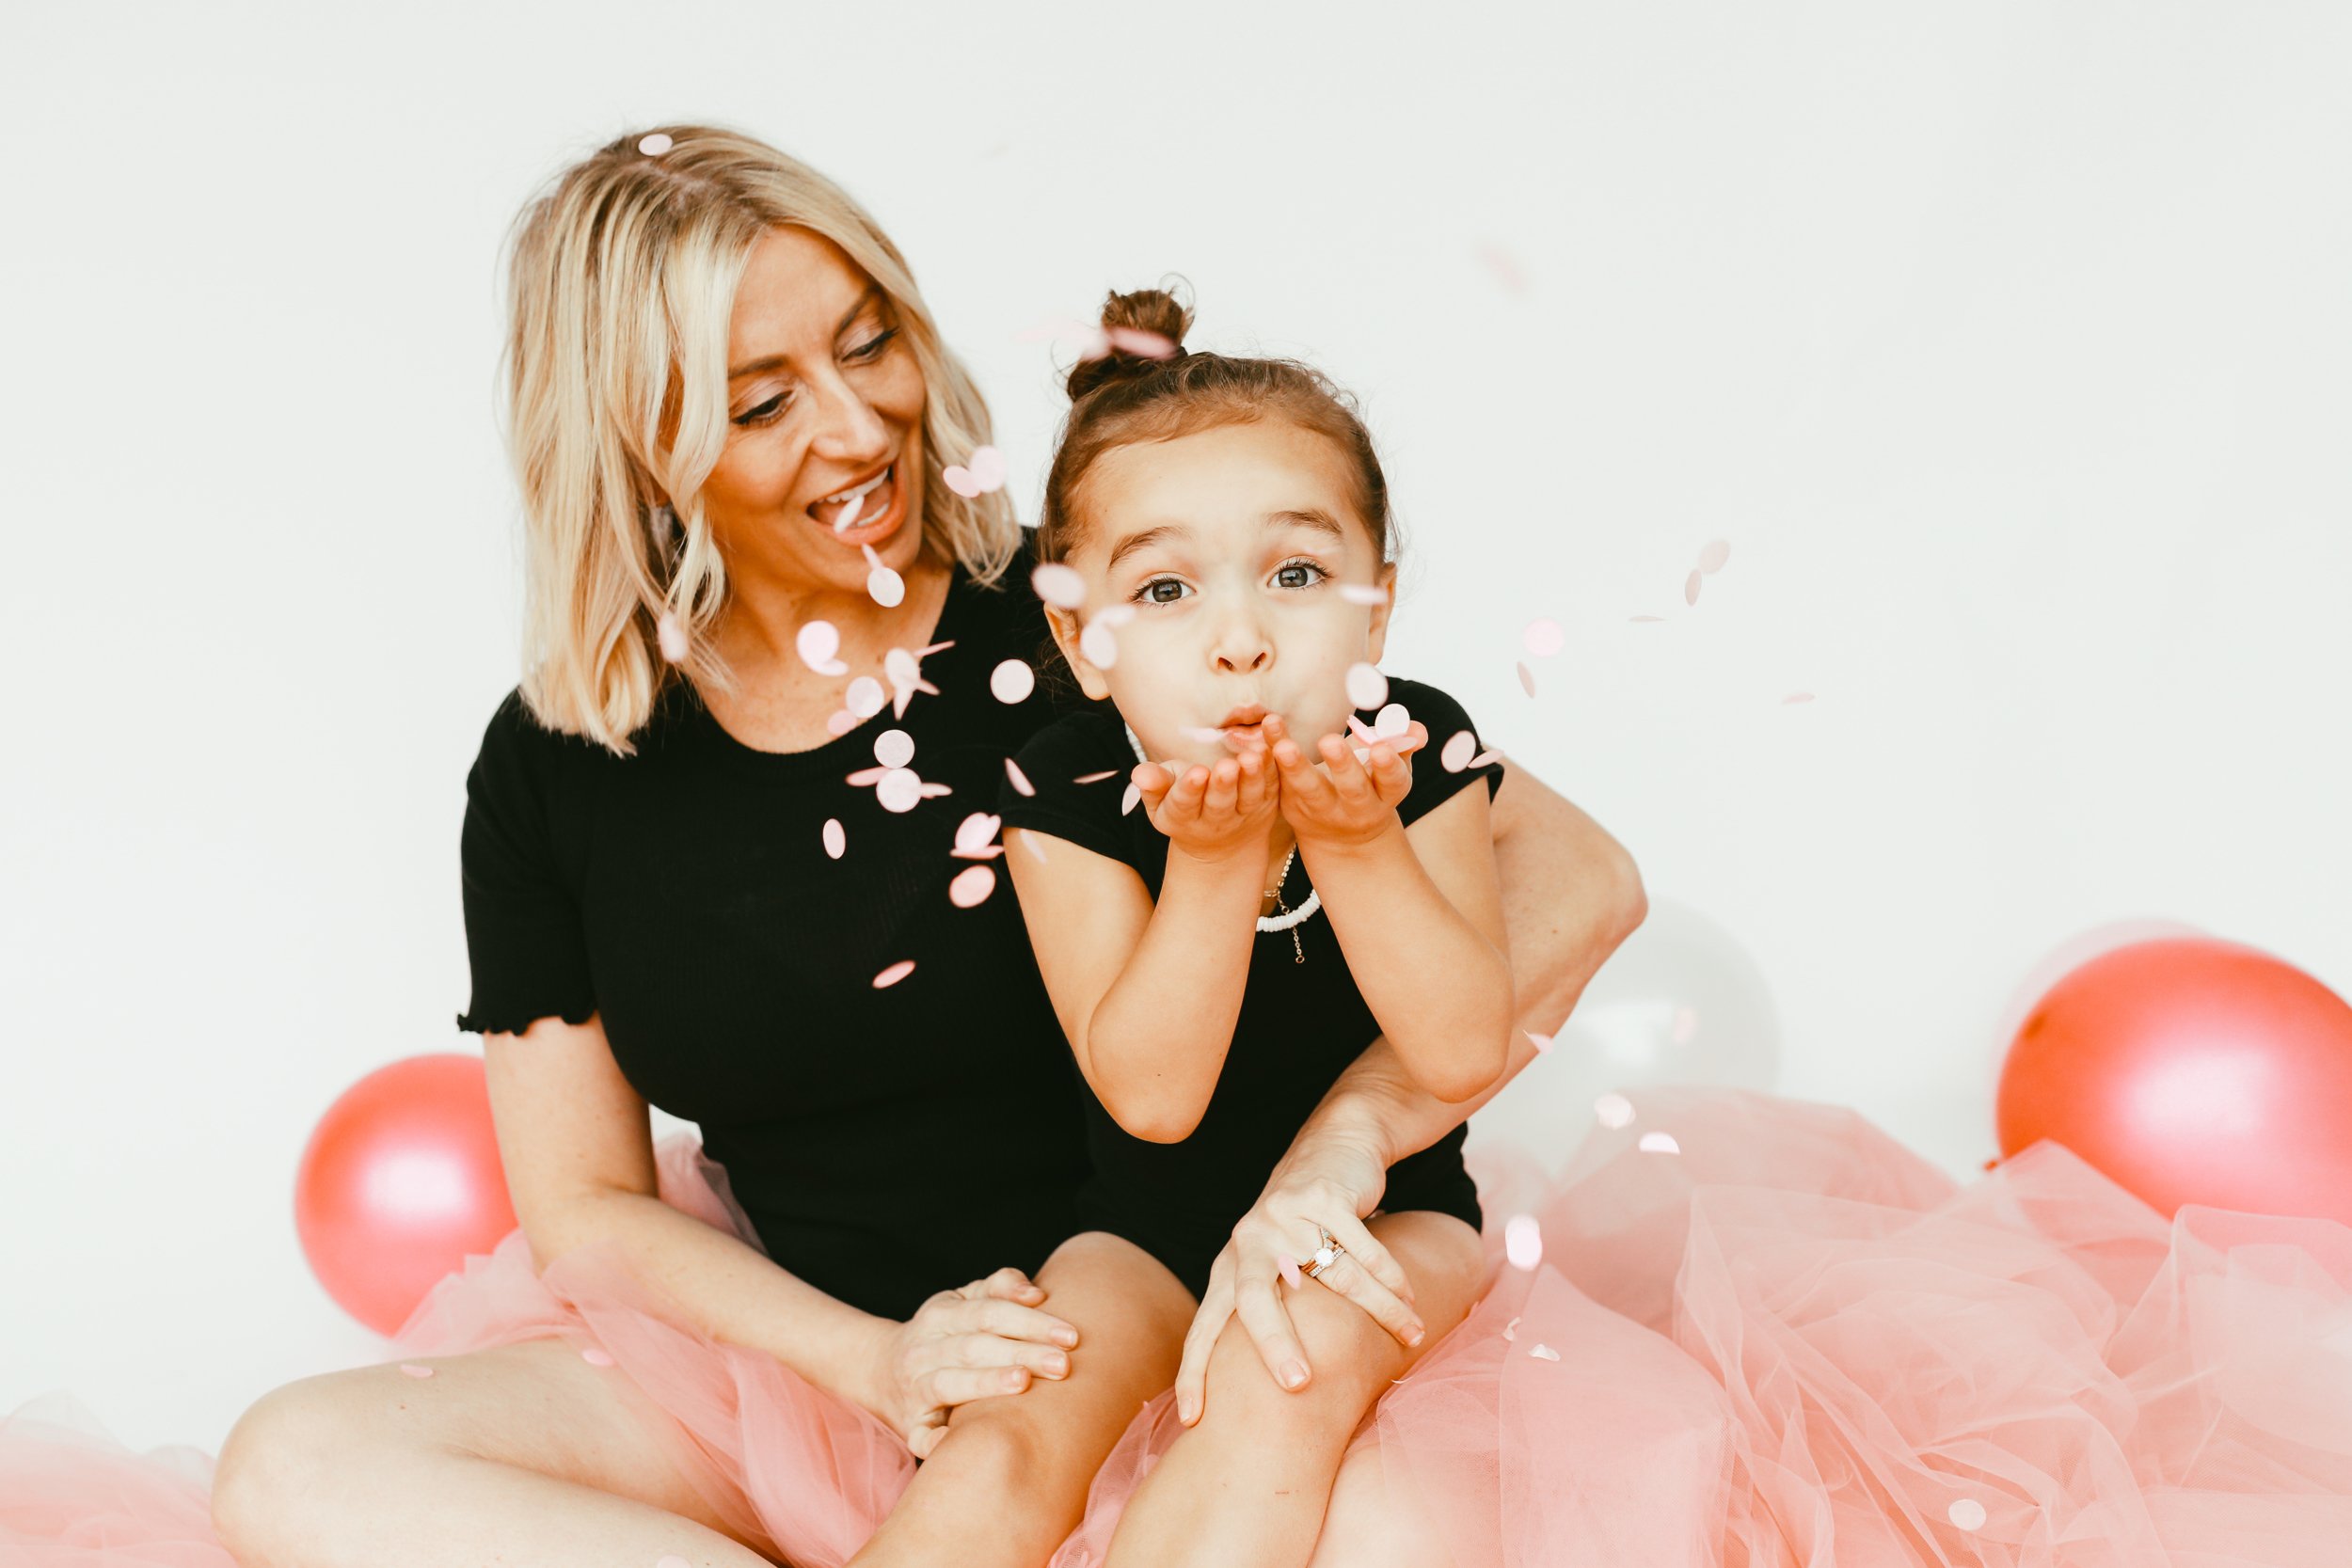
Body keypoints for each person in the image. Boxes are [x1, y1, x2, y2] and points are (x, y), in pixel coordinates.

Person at [0, 124, 1645, 1567]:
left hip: (1173, 1303)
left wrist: (1339, 1149)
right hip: (840, 1369)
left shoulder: (1099, 617)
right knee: (297, 1463)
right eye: (764, 401)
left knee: (1381, 1517)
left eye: (871, 346)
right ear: (637, 439)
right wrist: (874, 1364)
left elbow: (1571, 881)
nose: (858, 430)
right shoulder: (559, 766)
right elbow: (583, 1211)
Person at [988, 284, 1513, 1566]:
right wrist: (1213, 864)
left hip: (1397, 1214)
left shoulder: (1417, 743)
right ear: (1081, 635)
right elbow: (1153, 1099)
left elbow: (1458, 1050)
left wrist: (1355, 841)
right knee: (1006, 1438)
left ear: (1375, 608)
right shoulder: (1060, 786)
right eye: (1165, 591)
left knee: (1290, 1364)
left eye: (1296, 574)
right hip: (1143, 1231)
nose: (1241, 641)